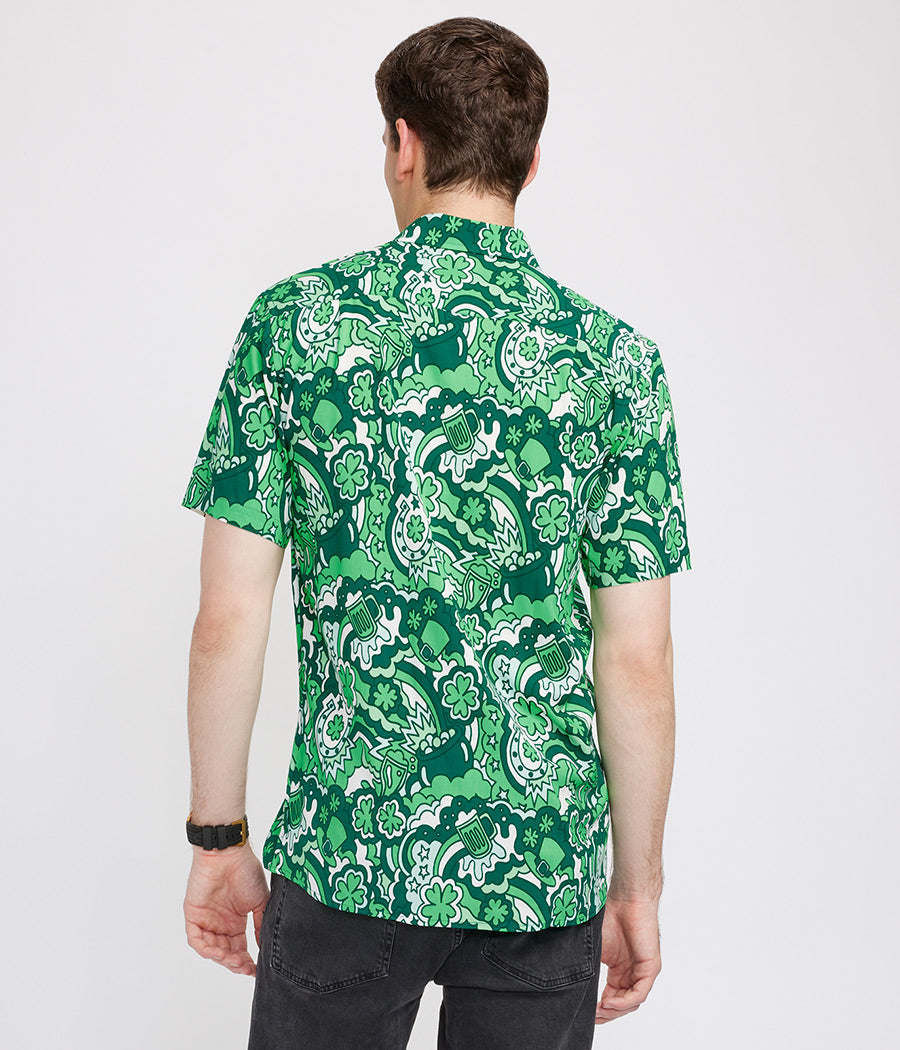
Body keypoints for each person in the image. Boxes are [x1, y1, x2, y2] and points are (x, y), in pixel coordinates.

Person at [180, 16, 692, 1050]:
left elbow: (228, 618)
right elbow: (637, 659)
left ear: (404, 143)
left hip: (350, 850)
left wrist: (219, 836)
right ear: (529, 163)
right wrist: (635, 887)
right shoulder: (615, 363)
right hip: (542, 867)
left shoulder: (294, 327)